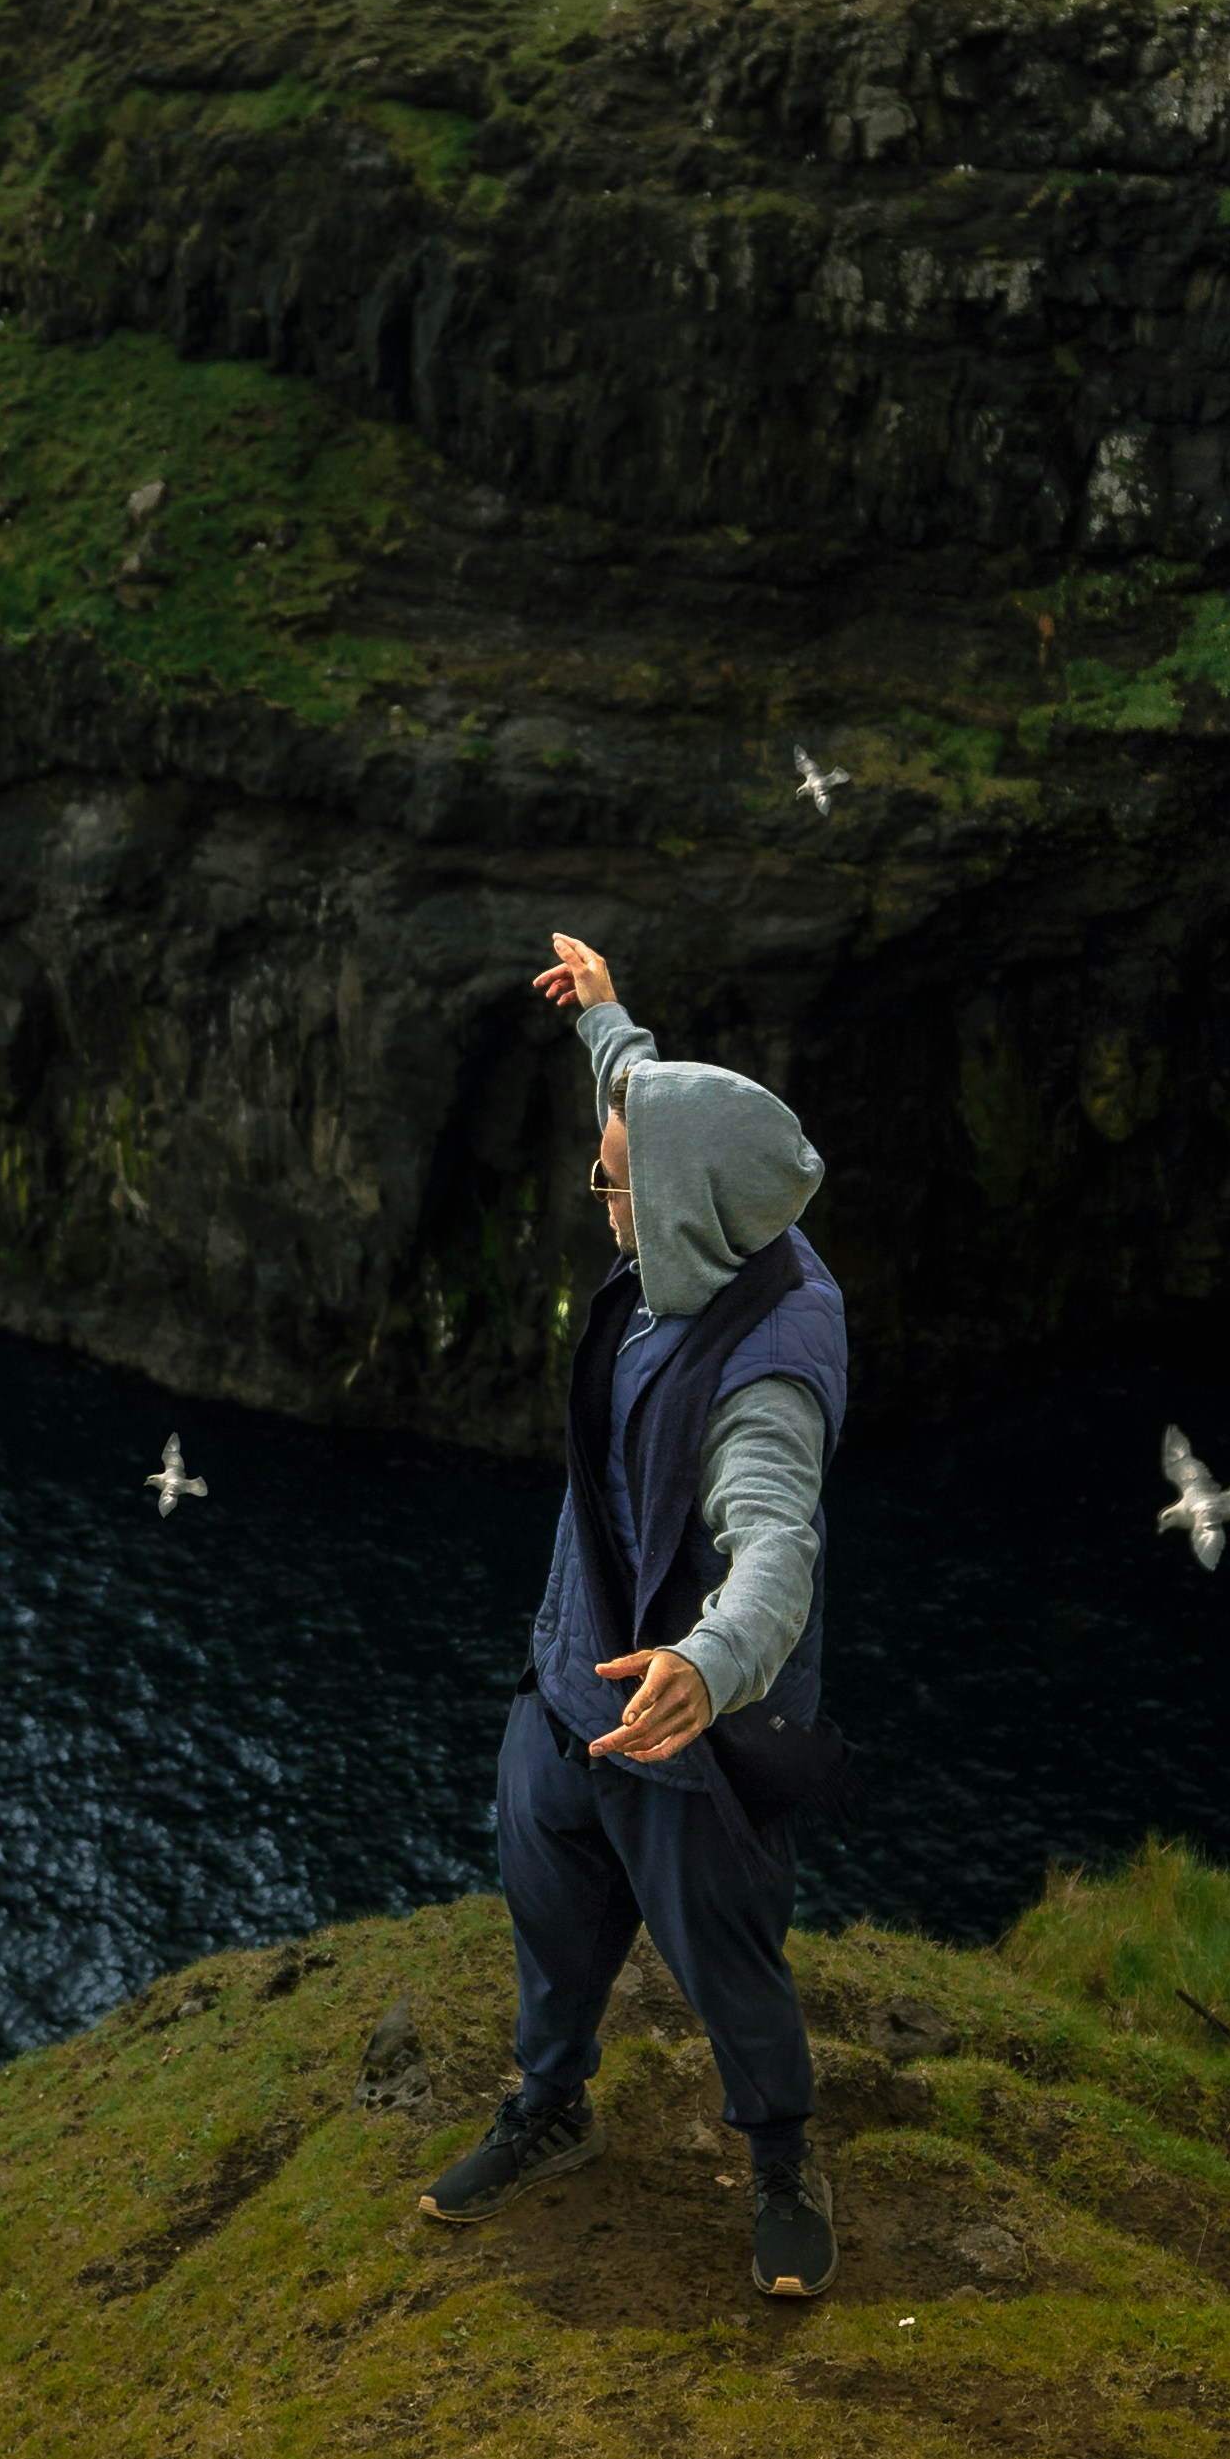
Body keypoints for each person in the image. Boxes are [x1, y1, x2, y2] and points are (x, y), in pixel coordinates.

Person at [415, 929, 848, 2301]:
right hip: (570, 1679)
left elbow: (777, 1543)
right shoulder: (707, 1209)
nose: (596, 1200)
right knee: (549, 1912)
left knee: (726, 1958)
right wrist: (604, 1017)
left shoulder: (770, 1370)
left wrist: (707, 1668)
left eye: (611, 1188)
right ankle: (552, 2103)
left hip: (682, 1717)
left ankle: (780, 2157)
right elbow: (647, 1094)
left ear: (673, 1209)